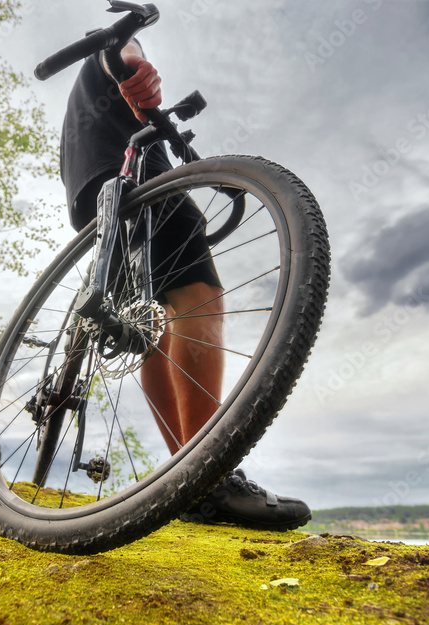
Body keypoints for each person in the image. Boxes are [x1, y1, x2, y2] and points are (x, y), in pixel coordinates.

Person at [59, 40, 311, 531]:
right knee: (199, 296)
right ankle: (207, 476)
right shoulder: (112, 44)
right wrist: (133, 67)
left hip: (91, 191)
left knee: (150, 322)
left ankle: (183, 474)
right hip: (137, 177)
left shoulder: (80, 111)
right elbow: (122, 50)